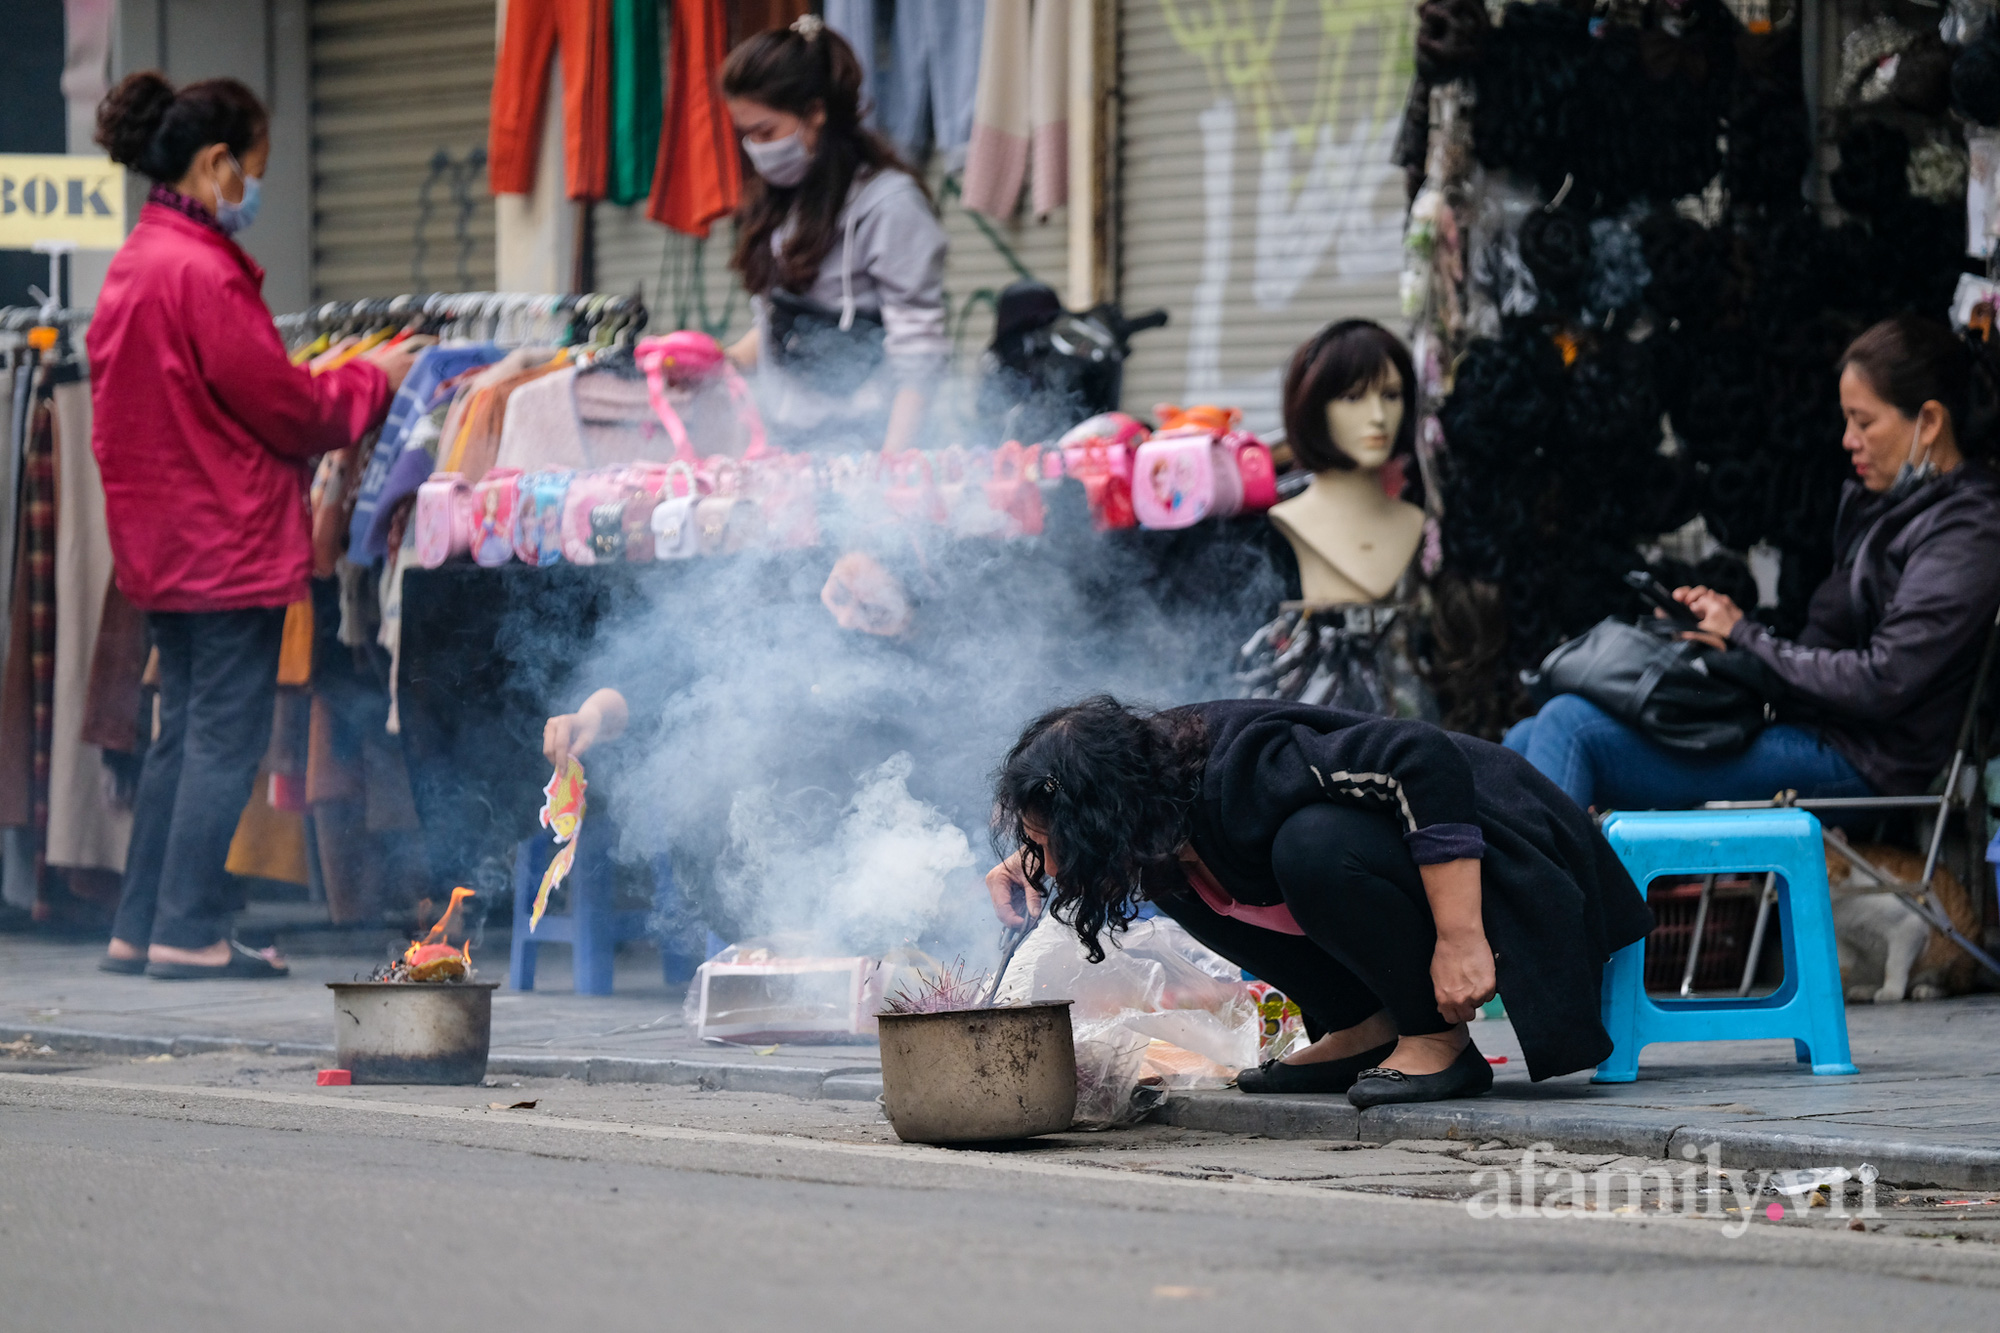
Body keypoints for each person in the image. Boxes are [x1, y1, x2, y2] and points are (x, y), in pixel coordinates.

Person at [89, 72, 419, 979]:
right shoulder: (199, 271)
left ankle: (142, 922)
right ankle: (188, 930)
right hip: (221, 539)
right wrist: (376, 377)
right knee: (223, 739)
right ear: (217, 163)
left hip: (163, 541)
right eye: (255, 168)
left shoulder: (139, 260)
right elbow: (284, 407)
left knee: (183, 730)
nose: (254, 189)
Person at [984, 696, 1653, 1106]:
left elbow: (1420, 759)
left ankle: (1435, 1038)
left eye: (1056, 839)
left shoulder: (1240, 768)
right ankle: (1363, 1024)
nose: (1048, 856)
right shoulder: (1151, 807)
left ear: (1098, 820)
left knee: (1313, 848)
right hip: (1410, 864)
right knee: (1175, 880)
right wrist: (1045, 854)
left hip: (1508, 846)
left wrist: (1460, 935)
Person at [1506, 314, 2000, 811]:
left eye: (1864, 421)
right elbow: (1825, 648)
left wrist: (1745, 635)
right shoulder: (1893, 504)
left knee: (1569, 725)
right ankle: (1522, 889)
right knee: (1528, 736)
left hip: (1863, 763)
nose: (1848, 439)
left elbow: (1882, 680)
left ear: (1930, 421)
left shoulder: (1966, 533)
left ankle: (1547, 891)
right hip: (1811, 728)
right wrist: (1725, 629)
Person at [721, 16, 949, 454]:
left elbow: (919, 355)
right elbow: (781, 327)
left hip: (867, 450)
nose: (756, 148)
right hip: (790, 452)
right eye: (746, 136)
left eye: (765, 132)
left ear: (815, 114)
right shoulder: (786, 199)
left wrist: (891, 470)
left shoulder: (890, 206)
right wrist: (715, 363)